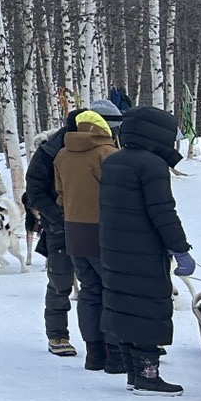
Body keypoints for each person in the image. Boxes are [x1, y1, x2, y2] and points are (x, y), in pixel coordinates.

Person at [98, 105, 196, 394]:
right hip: (142, 249)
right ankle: (148, 376)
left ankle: (134, 373)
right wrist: (180, 249)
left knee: (127, 305)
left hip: (116, 247)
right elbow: (163, 212)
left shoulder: (115, 161)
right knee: (147, 305)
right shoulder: (151, 165)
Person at [53, 107, 119, 371]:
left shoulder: (61, 154)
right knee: (113, 292)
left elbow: (59, 192)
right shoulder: (107, 154)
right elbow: (116, 195)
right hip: (103, 232)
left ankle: (94, 354)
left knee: (90, 292)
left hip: (74, 231)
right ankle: (115, 354)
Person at [23, 108, 82, 359]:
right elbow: (34, 191)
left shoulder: (103, 147)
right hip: (59, 225)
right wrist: (56, 218)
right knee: (60, 281)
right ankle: (57, 334)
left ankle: (104, 338)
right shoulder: (48, 152)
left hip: (93, 224)